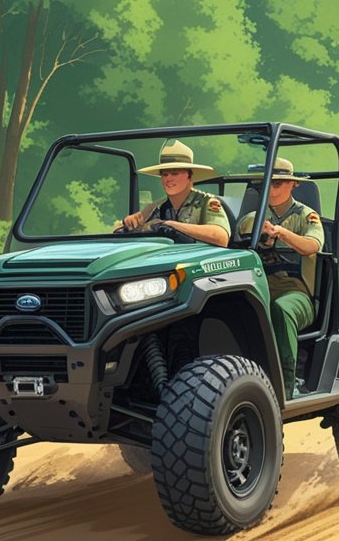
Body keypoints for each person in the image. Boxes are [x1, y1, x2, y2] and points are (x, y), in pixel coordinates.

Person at [237, 158, 325, 399]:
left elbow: (312, 246)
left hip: (296, 293)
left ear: (293, 185)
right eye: (269, 183)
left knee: (280, 310)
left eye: (279, 183)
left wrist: (282, 233)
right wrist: (263, 234)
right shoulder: (252, 218)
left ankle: (286, 386)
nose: (273, 188)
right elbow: (239, 237)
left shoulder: (307, 216)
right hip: (257, 287)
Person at [120, 140, 229, 246]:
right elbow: (119, 229)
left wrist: (171, 225)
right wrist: (127, 222)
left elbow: (221, 237)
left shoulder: (207, 202)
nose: (169, 179)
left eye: (175, 173)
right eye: (165, 174)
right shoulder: (156, 206)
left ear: (189, 177)